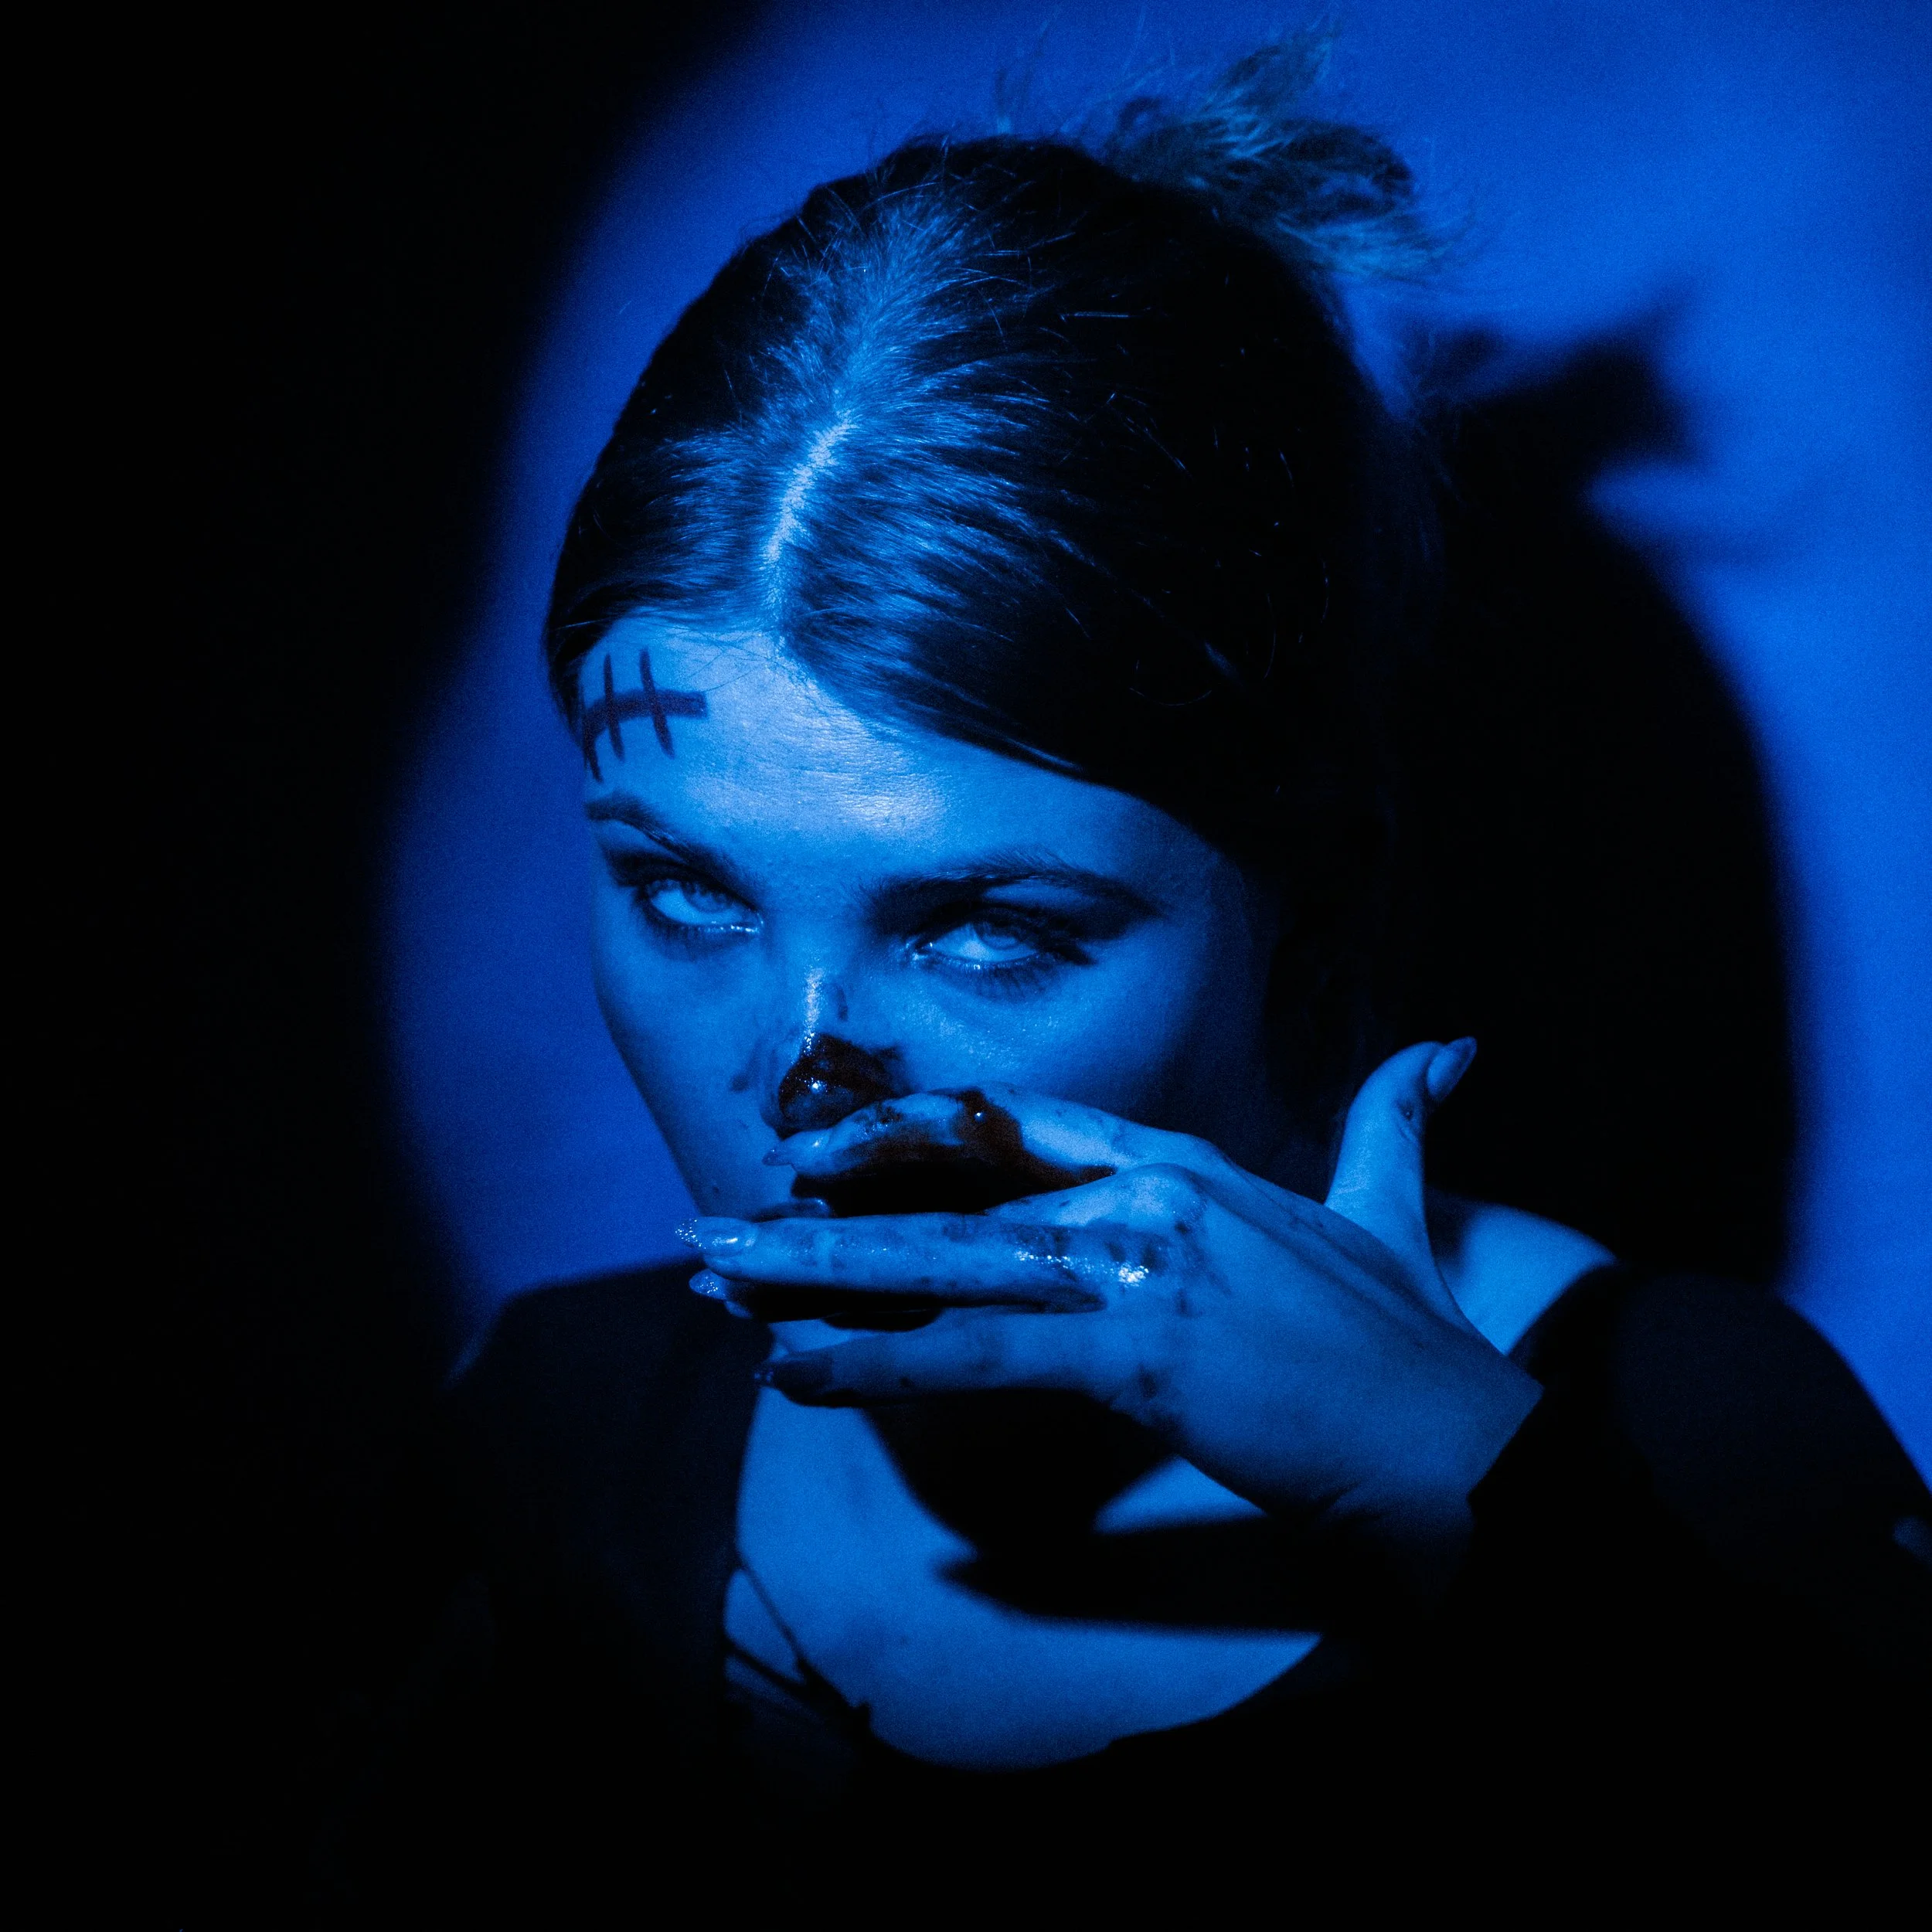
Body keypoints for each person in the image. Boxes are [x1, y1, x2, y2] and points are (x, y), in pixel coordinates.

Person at [344, 41, 1928, 1906]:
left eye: (984, 925)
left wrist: (1473, 1499)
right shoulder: (566, 1441)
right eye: (685, 895)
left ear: (1309, 899)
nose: (800, 1065)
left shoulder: (1685, 1443)